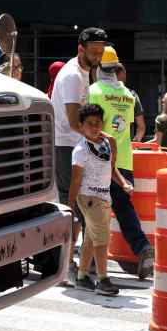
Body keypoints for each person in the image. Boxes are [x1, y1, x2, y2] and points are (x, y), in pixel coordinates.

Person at [88, 46, 154, 279]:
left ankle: (92, 263)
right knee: (124, 210)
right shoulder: (128, 95)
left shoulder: (94, 91)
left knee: (93, 211)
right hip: (124, 160)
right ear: (116, 69)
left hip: (99, 160)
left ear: (99, 68)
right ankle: (143, 248)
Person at [50, 27, 107, 281]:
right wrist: (96, 139)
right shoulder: (73, 76)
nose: (98, 55)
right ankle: (67, 261)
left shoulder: (86, 71)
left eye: (101, 51)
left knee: (84, 203)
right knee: (70, 204)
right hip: (67, 145)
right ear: (80, 49)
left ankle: (83, 261)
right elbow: (74, 121)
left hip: (76, 144)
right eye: (94, 51)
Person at [68, 104, 133, 295]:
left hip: (104, 196)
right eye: (90, 124)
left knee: (90, 238)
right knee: (103, 240)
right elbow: (75, 179)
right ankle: (103, 279)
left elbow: (111, 169)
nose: (95, 127)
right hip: (89, 198)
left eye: (98, 123)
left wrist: (123, 183)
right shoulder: (80, 150)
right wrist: (70, 206)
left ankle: (82, 276)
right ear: (81, 126)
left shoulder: (106, 143)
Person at [115, 63, 146, 142]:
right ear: (123, 74)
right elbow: (141, 126)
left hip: (105, 147)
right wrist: (135, 142)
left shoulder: (100, 93)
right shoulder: (132, 95)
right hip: (126, 147)